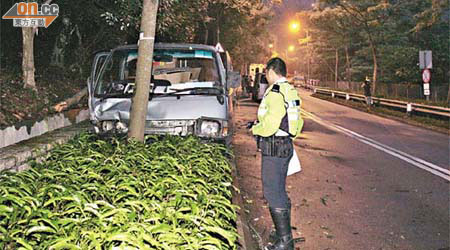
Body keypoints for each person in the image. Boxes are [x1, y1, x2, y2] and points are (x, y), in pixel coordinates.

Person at [248, 57, 304, 250]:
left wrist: (255, 129)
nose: (266, 76)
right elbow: (298, 123)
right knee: (279, 189)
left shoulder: (275, 93)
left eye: (266, 72)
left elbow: (270, 125)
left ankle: (284, 241)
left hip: (274, 147)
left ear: (271, 71)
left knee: (272, 191)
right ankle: (283, 233)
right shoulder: (290, 90)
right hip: (285, 145)